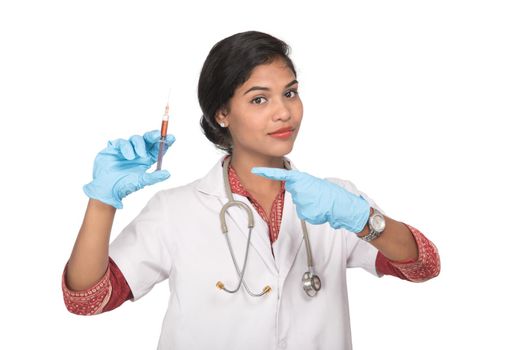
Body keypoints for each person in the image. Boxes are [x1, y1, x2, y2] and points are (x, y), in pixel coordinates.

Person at [62, 30, 440, 349]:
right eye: (260, 99)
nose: (283, 112)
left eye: (289, 93)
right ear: (222, 114)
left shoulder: (334, 201)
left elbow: (423, 266)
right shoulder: (175, 211)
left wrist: (363, 220)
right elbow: (87, 300)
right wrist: (102, 200)